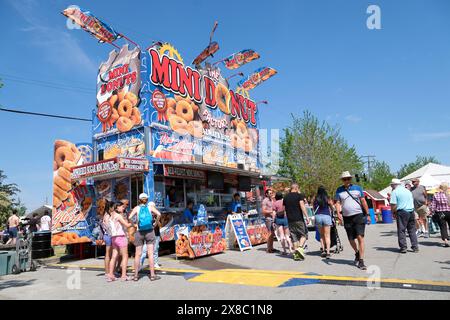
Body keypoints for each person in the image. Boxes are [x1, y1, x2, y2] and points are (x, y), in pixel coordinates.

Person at [335, 171, 370, 270]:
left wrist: (367, 214)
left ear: (350, 179)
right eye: (344, 179)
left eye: (348, 179)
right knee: (351, 239)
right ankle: (357, 252)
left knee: (360, 237)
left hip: (358, 216)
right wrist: (338, 214)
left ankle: (361, 261)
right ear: (342, 180)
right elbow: (337, 202)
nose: (346, 180)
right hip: (347, 217)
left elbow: (363, 201)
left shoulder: (358, 188)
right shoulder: (339, 190)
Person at [129, 193, 161, 281]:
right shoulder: (150, 207)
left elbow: (129, 217)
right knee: (150, 254)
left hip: (139, 232)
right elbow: (159, 214)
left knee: (137, 254)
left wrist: (134, 225)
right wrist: (154, 224)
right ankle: (152, 275)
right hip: (150, 231)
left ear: (139, 200)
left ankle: (135, 276)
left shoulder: (136, 208)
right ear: (147, 199)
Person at [390, 179, 419, 253]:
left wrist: (393, 212)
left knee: (401, 230)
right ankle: (415, 246)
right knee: (412, 230)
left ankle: (403, 247)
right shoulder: (407, 191)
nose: (391, 186)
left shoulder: (395, 192)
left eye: (391, 185)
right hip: (411, 211)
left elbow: (393, 204)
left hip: (402, 211)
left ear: (394, 184)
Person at [106, 202, 132, 282]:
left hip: (114, 238)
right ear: (117, 207)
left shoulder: (111, 216)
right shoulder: (118, 216)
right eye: (121, 207)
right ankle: (123, 276)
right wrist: (133, 223)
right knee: (125, 256)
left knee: (114, 256)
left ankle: (111, 275)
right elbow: (127, 225)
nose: (123, 208)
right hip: (121, 237)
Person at [284, 183, 309, 261]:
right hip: (298, 219)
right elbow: (302, 206)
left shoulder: (285, 197)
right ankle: (300, 248)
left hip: (290, 220)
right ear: (296, 188)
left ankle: (296, 255)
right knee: (304, 234)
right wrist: (307, 216)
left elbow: (285, 209)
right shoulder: (299, 196)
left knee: (294, 238)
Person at [314, 186, 335, 259]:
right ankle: (328, 252)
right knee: (327, 235)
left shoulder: (315, 199)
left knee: (321, 235)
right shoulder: (327, 198)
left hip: (318, 217)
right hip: (326, 216)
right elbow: (332, 208)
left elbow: (314, 208)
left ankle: (323, 250)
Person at [430, 182, 450, 247]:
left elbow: (433, 205)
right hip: (449, 212)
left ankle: (446, 241)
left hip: (441, 213)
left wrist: (432, 211)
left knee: (443, 226)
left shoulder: (436, 195)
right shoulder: (449, 194)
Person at [101, 201, 113, 279]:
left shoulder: (107, 215)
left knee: (110, 254)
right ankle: (107, 272)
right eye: (113, 207)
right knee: (108, 254)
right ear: (110, 207)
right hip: (109, 235)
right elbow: (107, 226)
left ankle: (109, 271)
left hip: (108, 235)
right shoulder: (107, 215)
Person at [261, 189, 276, 253]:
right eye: (269, 193)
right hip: (268, 219)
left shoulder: (271, 200)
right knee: (270, 233)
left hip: (272, 218)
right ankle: (268, 249)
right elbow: (263, 211)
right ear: (266, 194)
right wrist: (271, 211)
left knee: (272, 234)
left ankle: (271, 248)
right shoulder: (265, 201)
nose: (271, 194)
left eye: (271, 193)